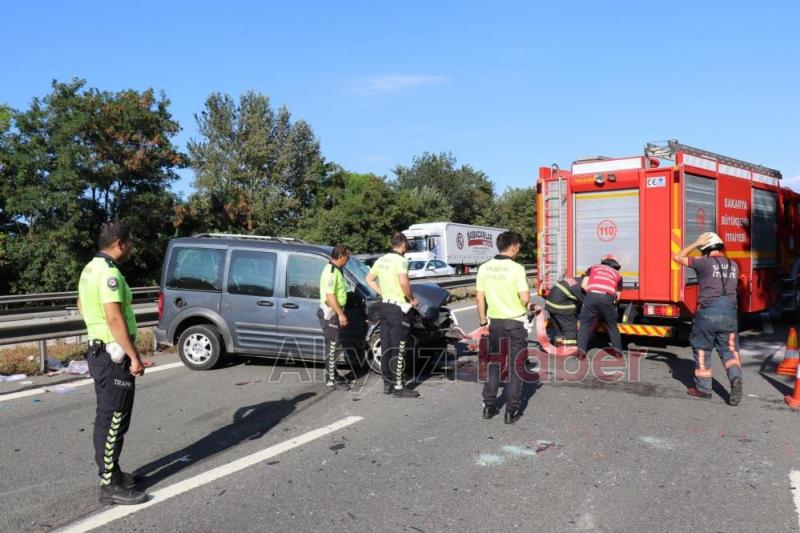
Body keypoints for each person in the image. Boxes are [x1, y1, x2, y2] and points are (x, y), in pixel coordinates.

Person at [77, 220, 147, 505]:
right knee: (114, 419)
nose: (131, 247)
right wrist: (134, 356)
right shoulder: (110, 275)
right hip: (113, 356)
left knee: (109, 416)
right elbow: (114, 317)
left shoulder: (89, 269)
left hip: (100, 352)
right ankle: (109, 484)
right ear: (120, 243)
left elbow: (81, 304)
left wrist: (97, 333)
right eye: (129, 242)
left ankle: (113, 473)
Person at [673, 232, 742, 405]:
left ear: (706, 249)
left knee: (702, 349)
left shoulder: (703, 263)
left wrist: (696, 241)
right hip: (730, 314)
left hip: (708, 313)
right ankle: (735, 378)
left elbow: (678, 257)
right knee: (730, 350)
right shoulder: (734, 264)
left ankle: (703, 389)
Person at [476, 231, 530, 424]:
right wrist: (531, 305)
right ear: (514, 246)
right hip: (515, 323)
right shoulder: (517, 268)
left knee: (495, 364)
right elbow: (525, 299)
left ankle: (489, 406)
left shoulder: (484, 268)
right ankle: (511, 411)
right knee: (516, 367)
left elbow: (479, 297)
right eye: (519, 247)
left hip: (494, 323)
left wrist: (483, 323)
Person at [365, 232, 420, 398]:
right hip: (398, 310)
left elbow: (368, 279)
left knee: (387, 346)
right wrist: (411, 299)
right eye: (407, 244)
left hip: (385, 306)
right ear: (403, 244)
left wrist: (382, 292)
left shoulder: (381, 260)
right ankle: (399, 387)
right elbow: (404, 282)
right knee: (399, 347)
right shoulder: (401, 260)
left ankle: (387, 384)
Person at [318, 244, 351, 389]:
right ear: (341, 256)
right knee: (333, 346)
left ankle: (333, 373)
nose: (347, 261)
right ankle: (331, 379)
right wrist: (340, 313)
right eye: (347, 258)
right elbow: (330, 296)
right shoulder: (331, 271)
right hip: (330, 313)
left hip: (334, 312)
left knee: (335, 346)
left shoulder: (337, 270)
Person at [577, 255, 623, 357]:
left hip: (591, 296)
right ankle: (618, 353)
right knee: (612, 326)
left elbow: (584, 285)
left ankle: (581, 353)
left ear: (603, 262)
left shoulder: (593, 268)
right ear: (615, 265)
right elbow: (618, 296)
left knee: (584, 325)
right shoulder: (618, 275)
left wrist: (593, 294)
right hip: (607, 298)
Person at [544, 275, 585, 346]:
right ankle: (570, 349)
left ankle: (559, 346)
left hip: (551, 306)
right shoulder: (580, 287)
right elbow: (587, 303)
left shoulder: (577, 280)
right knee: (570, 329)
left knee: (559, 329)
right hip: (562, 308)